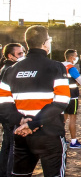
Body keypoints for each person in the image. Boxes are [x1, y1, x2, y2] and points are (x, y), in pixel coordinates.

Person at [0, 25, 70, 177]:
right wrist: (34, 123)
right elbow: (62, 100)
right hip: (49, 133)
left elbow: (4, 105)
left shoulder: (10, 70)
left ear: (27, 44)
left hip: (21, 134)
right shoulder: (56, 67)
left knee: (20, 174)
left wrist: (21, 120)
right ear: (45, 43)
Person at [0, 43, 25, 177]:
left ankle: (3, 172)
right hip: (10, 113)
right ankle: (9, 172)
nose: (23, 56)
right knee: (13, 148)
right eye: (19, 54)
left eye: (23, 53)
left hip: (6, 113)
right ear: (10, 56)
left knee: (7, 145)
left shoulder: (6, 68)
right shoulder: (10, 70)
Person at [62, 49, 81, 149]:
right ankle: (73, 141)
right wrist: (76, 83)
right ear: (71, 57)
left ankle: (62, 138)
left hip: (62, 96)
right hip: (72, 96)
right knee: (72, 118)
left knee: (63, 118)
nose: (76, 58)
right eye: (76, 56)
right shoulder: (71, 68)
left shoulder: (60, 66)